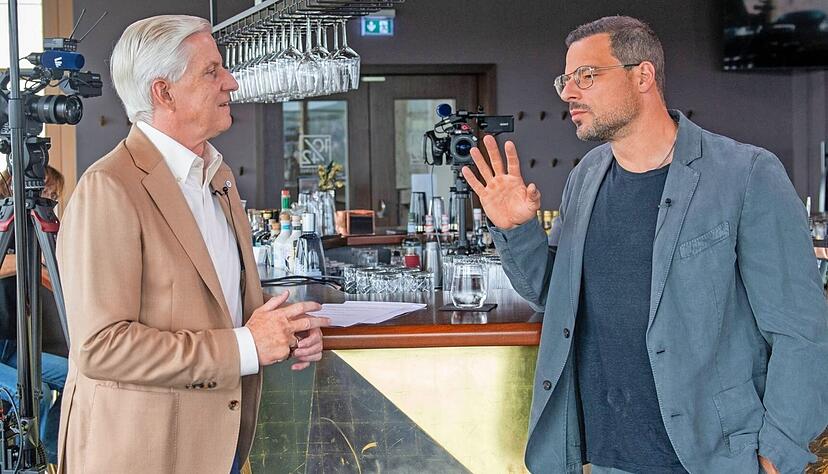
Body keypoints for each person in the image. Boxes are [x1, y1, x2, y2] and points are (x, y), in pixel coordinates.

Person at [463, 15, 828, 474]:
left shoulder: (747, 173)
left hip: (711, 459)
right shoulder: (586, 177)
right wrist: (517, 229)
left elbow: (801, 332)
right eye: (565, 80)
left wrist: (779, 455)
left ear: (643, 75)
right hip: (605, 457)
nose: (569, 93)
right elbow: (555, 298)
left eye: (587, 76)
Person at [55, 15, 330, 474]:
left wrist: (284, 327)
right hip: (142, 454)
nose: (233, 82)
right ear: (164, 93)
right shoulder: (110, 187)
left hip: (215, 447)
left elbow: (208, 298)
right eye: (212, 71)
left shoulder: (216, 177)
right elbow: (101, 347)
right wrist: (246, 346)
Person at [0, 165, 68, 466]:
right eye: (45, 192)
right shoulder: (6, 223)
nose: (48, 199)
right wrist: (34, 259)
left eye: (53, 196)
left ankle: (52, 454)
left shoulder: (28, 232)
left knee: (75, 376)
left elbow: (46, 277)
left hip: (11, 346)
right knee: (33, 396)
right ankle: (29, 465)